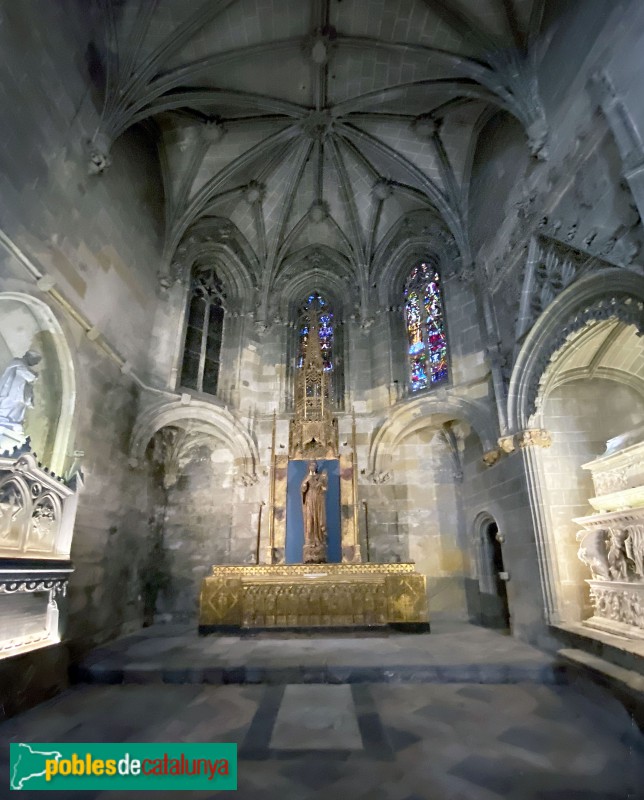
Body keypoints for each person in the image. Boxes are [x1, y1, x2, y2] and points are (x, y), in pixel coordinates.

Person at [0, 350, 42, 429]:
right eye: (36, 361)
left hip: (14, 393)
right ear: (30, 357)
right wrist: (34, 376)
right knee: (7, 409)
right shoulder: (18, 362)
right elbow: (23, 373)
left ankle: (10, 423)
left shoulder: (20, 364)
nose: (35, 363)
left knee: (14, 409)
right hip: (10, 392)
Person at [301, 460, 328, 563]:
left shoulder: (319, 477)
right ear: (308, 467)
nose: (312, 467)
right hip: (309, 500)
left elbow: (324, 489)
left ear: (316, 467)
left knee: (318, 519)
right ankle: (310, 540)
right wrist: (304, 485)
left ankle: (318, 540)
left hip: (318, 501)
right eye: (311, 465)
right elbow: (303, 490)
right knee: (309, 521)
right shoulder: (307, 478)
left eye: (314, 465)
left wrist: (321, 483)